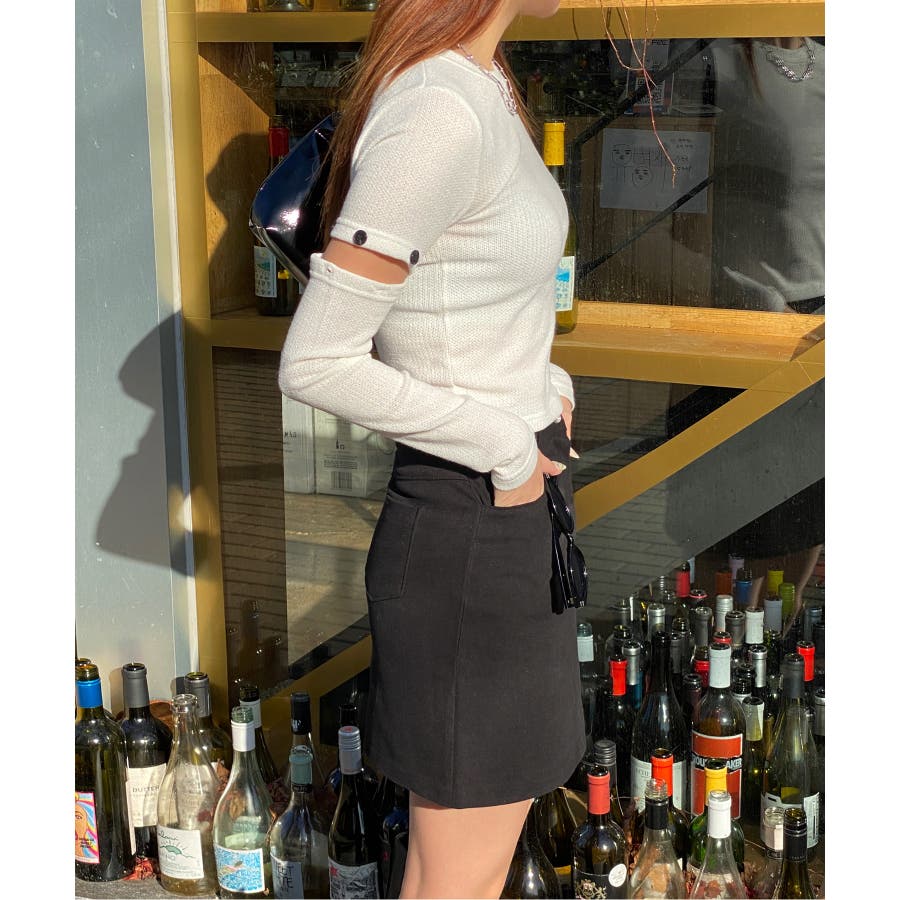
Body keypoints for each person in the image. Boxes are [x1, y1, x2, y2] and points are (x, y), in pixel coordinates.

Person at [277, 2, 583, 897]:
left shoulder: (485, 84)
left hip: (506, 511)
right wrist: (505, 444)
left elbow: (464, 291)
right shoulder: (438, 107)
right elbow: (318, 361)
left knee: (466, 868)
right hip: (471, 524)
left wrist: (546, 384)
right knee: (457, 880)